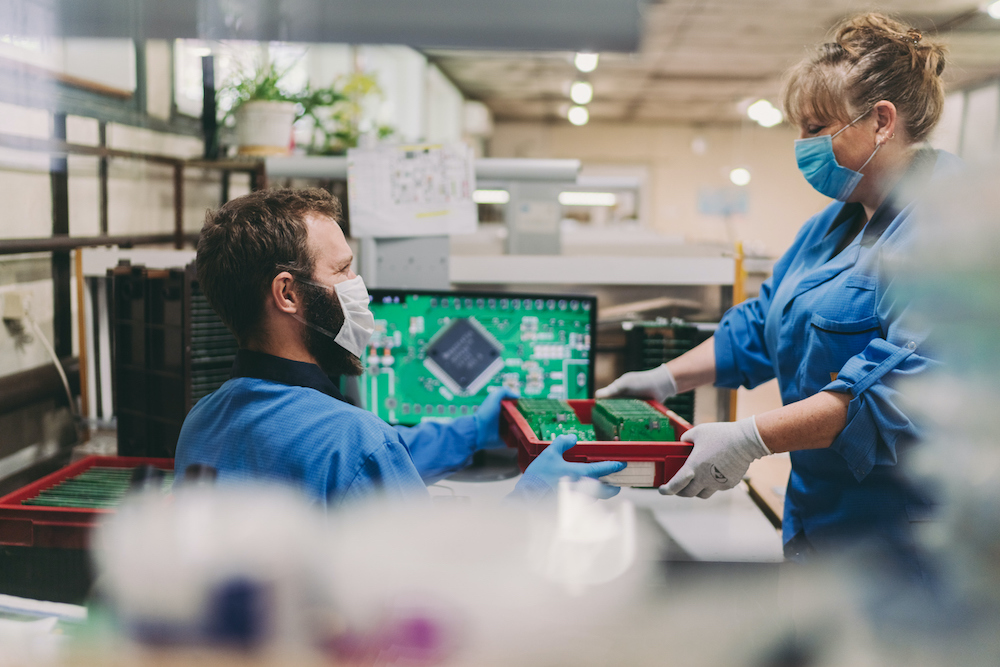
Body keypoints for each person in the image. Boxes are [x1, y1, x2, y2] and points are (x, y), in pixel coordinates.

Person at [598, 13, 960, 561]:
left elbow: (901, 393)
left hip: (900, 535)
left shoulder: (947, 229)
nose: (802, 145)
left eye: (817, 128)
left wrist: (750, 438)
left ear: (882, 121)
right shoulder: (835, 223)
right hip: (818, 515)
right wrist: (664, 379)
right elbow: (762, 323)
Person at [174, 188, 624, 505]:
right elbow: (430, 582)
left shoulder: (202, 421)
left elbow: (368, 461)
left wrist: (471, 431)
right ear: (288, 294)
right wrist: (534, 498)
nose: (358, 289)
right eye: (343, 271)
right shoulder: (354, 440)